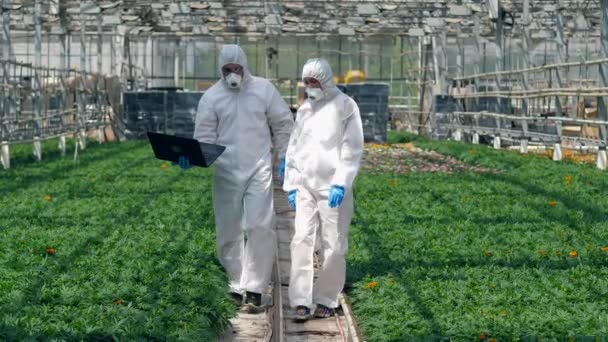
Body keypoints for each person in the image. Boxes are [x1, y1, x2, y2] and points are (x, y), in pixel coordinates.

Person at [180, 44, 293, 313]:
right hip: (226, 170)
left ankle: (255, 287)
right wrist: (192, 156)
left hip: (259, 167)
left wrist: (285, 155)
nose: (233, 74)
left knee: (258, 226)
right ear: (221, 70)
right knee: (228, 227)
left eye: (237, 69)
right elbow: (205, 137)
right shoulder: (212, 97)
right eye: (227, 70)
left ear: (245, 66)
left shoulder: (263, 89)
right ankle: (235, 283)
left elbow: (283, 123)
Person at [282, 58, 364, 320]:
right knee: (301, 240)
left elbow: (352, 148)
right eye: (306, 82)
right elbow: (295, 148)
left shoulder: (345, 107)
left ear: (326, 81)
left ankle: (327, 298)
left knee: (334, 244)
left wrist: (341, 181)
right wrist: (292, 183)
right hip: (306, 185)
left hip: (332, 188)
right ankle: (301, 300)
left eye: (314, 82)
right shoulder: (306, 109)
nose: (309, 87)